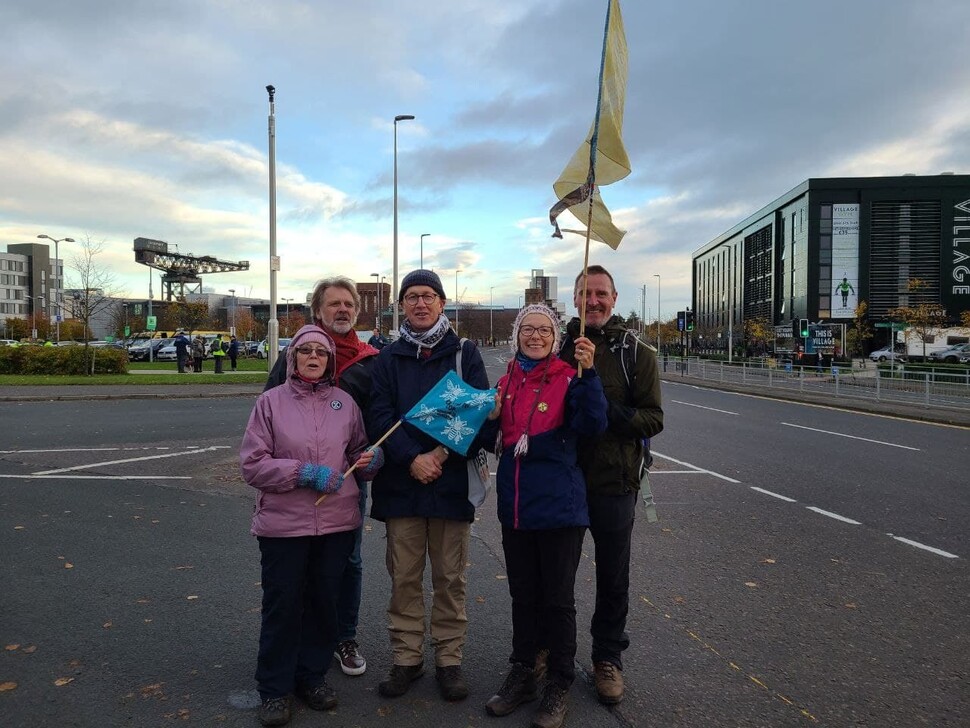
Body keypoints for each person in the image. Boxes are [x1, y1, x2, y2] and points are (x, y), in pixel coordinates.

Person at [241, 324, 384, 727]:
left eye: (321, 353)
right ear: (293, 358)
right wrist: (304, 473)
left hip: (337, 524)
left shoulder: (345, 403)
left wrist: (370, 462)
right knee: (283, 605)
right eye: (306, 351)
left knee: (325, 602)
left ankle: (312, 676)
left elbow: (357, 450)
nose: (314, 357)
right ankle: (274, 688)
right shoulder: (270, 404)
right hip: (284, 527)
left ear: (330, 361)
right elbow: (252, 465)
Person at [368, 268, 492, 702]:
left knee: (449, 579)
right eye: (412, 296)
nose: (420, 303)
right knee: (403, 578)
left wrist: (437, 457)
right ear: (402, 305)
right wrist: (411, 459)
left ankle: (448, 661)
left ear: (442, 303)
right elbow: (379, 416)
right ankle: (406, 659)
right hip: (402, 487)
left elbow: (477, 413)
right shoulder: (388, 357)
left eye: (428, 296)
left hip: (451, 485)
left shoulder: (465, 354)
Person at [484, 304, 607, 728]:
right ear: (517, 334)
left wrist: (589, 375)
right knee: (524, 597)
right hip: (516, 507)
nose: (535, 336)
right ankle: (523, 671)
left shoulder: (570, 378)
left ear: (556, 338)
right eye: (528, 329)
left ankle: (559, 681)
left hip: (559, 509)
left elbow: (593, 424)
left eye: (544, 330)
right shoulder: (505, 381)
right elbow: (489, 439)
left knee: (557, 601)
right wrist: (491, 418)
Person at [559, 265, 664, 706]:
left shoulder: (636, 352)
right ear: (575, 299)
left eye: (601, 294)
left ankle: (607, 657)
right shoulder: (557, 346)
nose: (594, 301)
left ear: (615, 299)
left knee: (613, 576)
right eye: (586, 294)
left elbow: (653, 419)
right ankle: (551, 649)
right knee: (556, 575)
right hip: (562, 480)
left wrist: (603, 408)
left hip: (615, 481)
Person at [265, 275, 380, 677]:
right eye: (334, 304)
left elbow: (375, 424)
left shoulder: (369, 360)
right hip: (296, 486)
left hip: (346, 483)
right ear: (318, 311)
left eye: (348, 304)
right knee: (297, 567)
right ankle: (299, 640)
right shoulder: (296, 354)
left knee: (347, 561)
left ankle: (342, 637)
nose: (343, 310)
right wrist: (291, 473)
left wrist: (374, 457)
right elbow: (270, 412)